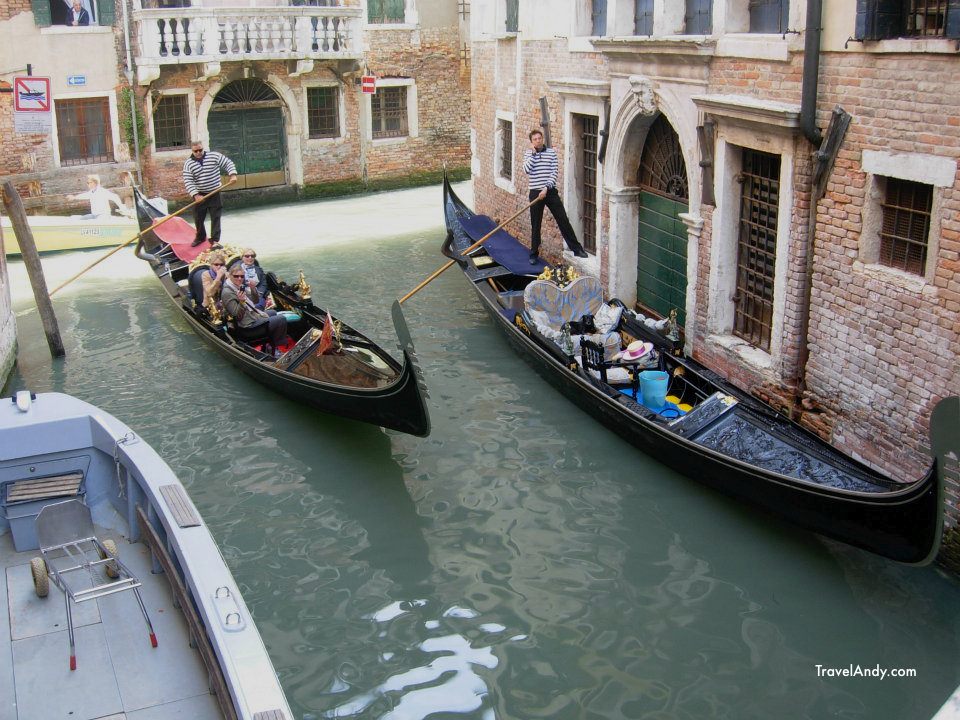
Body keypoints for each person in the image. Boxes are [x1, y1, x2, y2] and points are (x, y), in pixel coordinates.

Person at [522, 129, 588, 264]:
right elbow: (526, 170)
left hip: (549, 191)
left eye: (539, 138)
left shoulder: (551, 153)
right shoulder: (529, 154)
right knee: (536, 223)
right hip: (535, 192)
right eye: (535, 139)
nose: (538, 141)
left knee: (562, 219)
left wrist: (546, 188)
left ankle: (577, 248)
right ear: (531, 142)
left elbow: (554, 173)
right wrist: (533, 155)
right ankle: (534, 253)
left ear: (542, 139)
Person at [182, 141, 237, 247]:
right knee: (198, 217)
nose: (198, 152)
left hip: (214, 192)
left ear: (203, 148)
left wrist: (233, 174)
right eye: (196, 151)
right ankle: (200, 237)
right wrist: (195, 195)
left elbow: (228, 163)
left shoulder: (214, 156)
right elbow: (188, 181)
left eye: (200, 150)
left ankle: (215, 240)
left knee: (215, 217)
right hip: (199, 195)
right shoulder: (188, 164)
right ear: (192, 151)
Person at [220, 265, 287, 351]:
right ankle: (278, 347)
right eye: (236, 276)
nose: (239, 278)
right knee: (281, 319)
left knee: (273, 312)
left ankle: (271, 344)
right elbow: (238, 316)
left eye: (242, 276)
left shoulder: (238, 286)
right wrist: (242, 302)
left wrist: (253, 289)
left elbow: (255, 301)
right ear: (230, 276)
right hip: (247, 326)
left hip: (252, 316)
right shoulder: (227, 292)